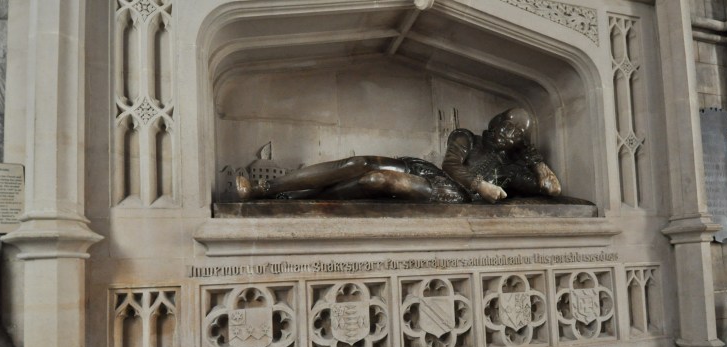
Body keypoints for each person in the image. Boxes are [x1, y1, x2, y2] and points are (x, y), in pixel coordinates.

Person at [229, 107, 560, 203]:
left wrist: (538, 163)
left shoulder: (512, 170)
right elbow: (451, 165)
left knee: (376, 179)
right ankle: (263, 190)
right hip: (435, 173)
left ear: (521, 142)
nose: (508, 133)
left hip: (449, 194)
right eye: (506, 124)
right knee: (359, 163)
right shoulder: (466, 137)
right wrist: (483, 186)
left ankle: (293, 200)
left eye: (517, 132)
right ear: (496, 122)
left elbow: (550, 189)